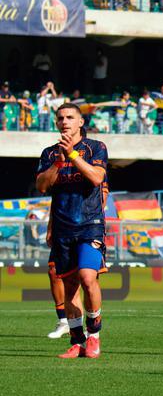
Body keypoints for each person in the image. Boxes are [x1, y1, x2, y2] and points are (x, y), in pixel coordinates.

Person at [35, 103, 109, 359]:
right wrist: (58, 162)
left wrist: (73, 155)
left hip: (90, 225)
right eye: (60, 118)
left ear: (80, 122)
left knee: (88, 278)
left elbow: (97, 178)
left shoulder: (95, 147)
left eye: (69, 117)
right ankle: (78, 342)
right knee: (70, 286)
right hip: (63, 228)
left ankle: (94, 335)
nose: (64, 121)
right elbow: (42, 186)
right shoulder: (49, 153)